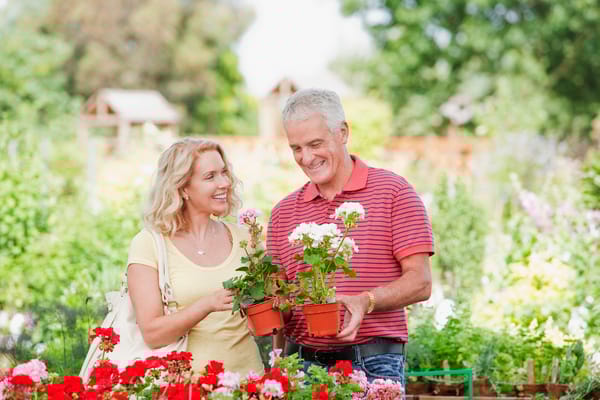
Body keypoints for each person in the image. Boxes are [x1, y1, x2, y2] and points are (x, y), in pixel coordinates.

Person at [267, 88, 434, 382]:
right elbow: (280, 311)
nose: (306, 158)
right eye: (296, 148)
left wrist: (366, 301)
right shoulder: (283, 213)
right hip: (300, 366)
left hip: (373, 363)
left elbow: (420, 283)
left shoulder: (393, 193)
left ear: (342, 132)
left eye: (315, 144)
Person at [127, 137, 263, 375]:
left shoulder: (245, 239)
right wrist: (207, 305)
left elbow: (267, 316)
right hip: (188, 387)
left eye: (224, 172)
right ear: (182, 188)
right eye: (210, 176)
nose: (224, 183)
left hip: (250, 383)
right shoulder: (149, 244)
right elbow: (152, 334)